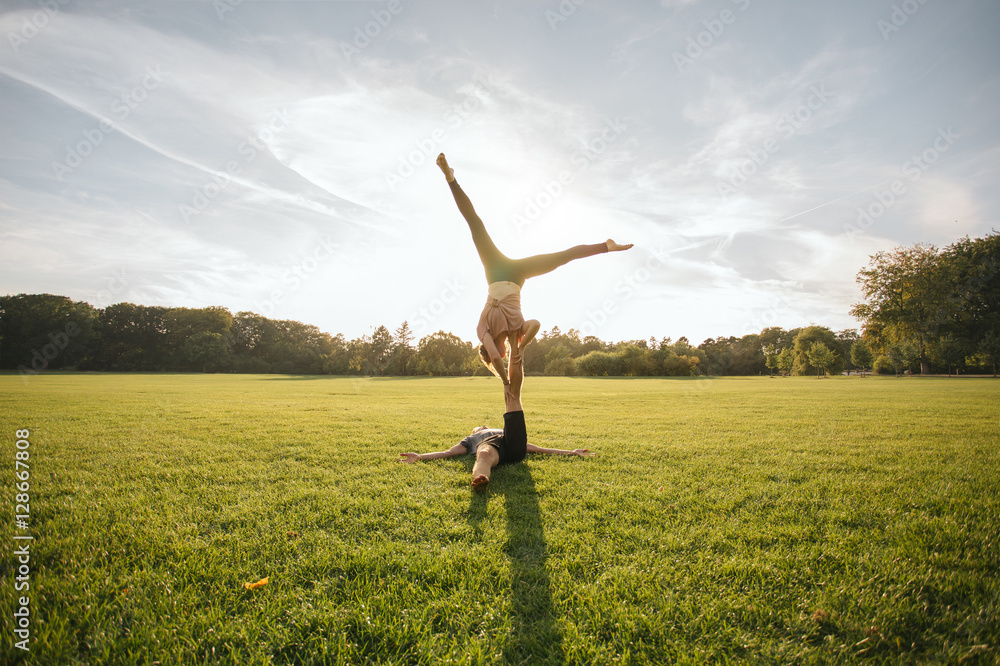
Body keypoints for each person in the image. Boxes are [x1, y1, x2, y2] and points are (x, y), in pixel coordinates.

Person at [436, 153, 633, 384]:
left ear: (489, 353)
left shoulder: (483, 333)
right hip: (518, 274)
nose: (502, 355)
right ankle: (605, 246)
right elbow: (536, 324)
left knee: (475, 224)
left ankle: (451, 179)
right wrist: (521, 345)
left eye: (497, 355)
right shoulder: (515, 335)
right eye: (502, 354)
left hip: (495, 270)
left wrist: (505, 381)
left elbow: (499, 364)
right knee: (561, 258)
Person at [396, 353, 594, 490]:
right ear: (474, 432)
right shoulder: (471, 440)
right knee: (483, 454)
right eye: (478, 427)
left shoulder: (499, 430)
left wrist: (572, 452)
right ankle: (480, 480)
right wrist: (420, 456)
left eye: (483, 426)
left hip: (510, 443)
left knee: (513, 407)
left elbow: (538, 448)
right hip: (492, 450)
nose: (482, 426)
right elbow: (448, 453)